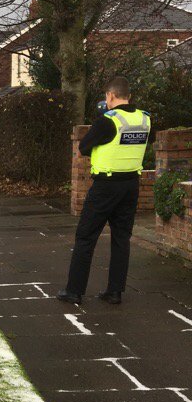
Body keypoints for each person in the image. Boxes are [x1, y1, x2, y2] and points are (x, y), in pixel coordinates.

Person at [58, 76, 150, 306]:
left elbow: (84, 147)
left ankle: (74, 291)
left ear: (110, 95)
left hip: (106, 186)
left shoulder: (108, 121)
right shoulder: (144, 119)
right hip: (131, 185)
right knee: (121, 238)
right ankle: (115, 292)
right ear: (129, 95)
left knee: (86, 236)